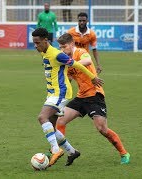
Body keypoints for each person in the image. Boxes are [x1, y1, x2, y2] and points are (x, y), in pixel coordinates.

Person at [32, 28, 103, 167]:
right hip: (53, 93)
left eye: (38, 42)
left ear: (45, 41)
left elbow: (77, 64)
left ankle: (55, 150)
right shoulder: (44, 51)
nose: (35, 45)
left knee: (42, 117)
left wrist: (93, 77)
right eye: (34, 43)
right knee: (51, 127)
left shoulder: (57, 54)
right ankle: (72, 151)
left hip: (61, 93)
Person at [56, 33, 130, 165]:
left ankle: (124, 153)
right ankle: (65, 151)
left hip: (95, 95)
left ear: (72, 44)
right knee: (60, 121)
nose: (62, 50)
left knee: (102, 129)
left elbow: (88, 61)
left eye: (64, 47)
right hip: (81, 97)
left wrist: (72, 63)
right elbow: (69, 80)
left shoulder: (80, 52)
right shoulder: (66, 60)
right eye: (60, 47)